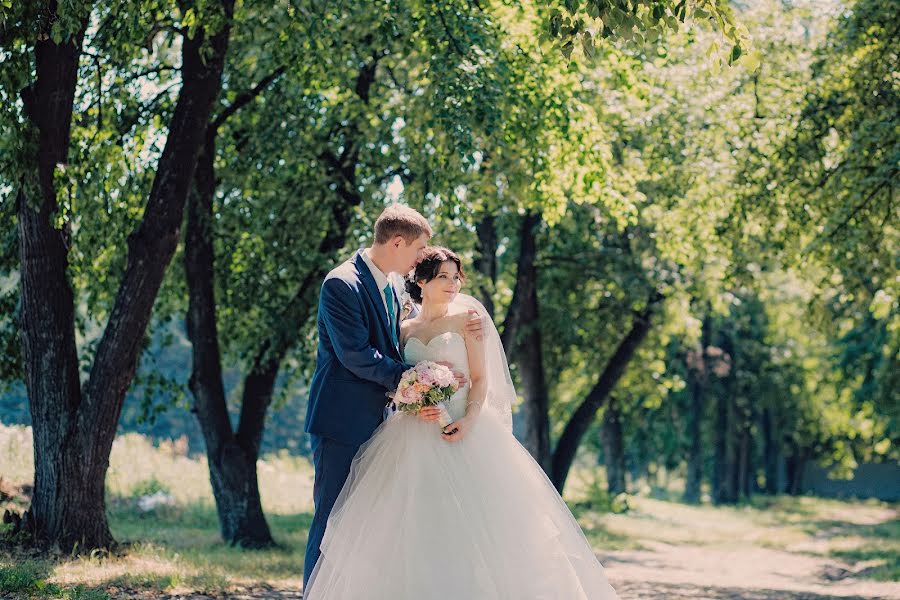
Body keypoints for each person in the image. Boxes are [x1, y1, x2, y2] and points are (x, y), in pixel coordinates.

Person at [303, 246, 621, 599]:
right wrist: (413, 401)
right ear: (421, 281)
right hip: (411, 434)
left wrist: (469, 420)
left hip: (463, 431)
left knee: (473, 527)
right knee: (412, 526)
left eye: (456, 277)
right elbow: (395, 379)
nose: (453, 284)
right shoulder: (404, 328)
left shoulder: (467, 320)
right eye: (443, 277)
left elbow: (481, 380)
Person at [302, 206, 480, 588]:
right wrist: (422, 377)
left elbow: (419, 328)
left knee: (370, 527)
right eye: (419, 249)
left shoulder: (396, 286)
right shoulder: (341, 284)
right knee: (332, 521)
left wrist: (464, 322)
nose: (421, 259)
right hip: (342, 423)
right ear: (397, 242)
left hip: (385, 426)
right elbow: (356, 355)